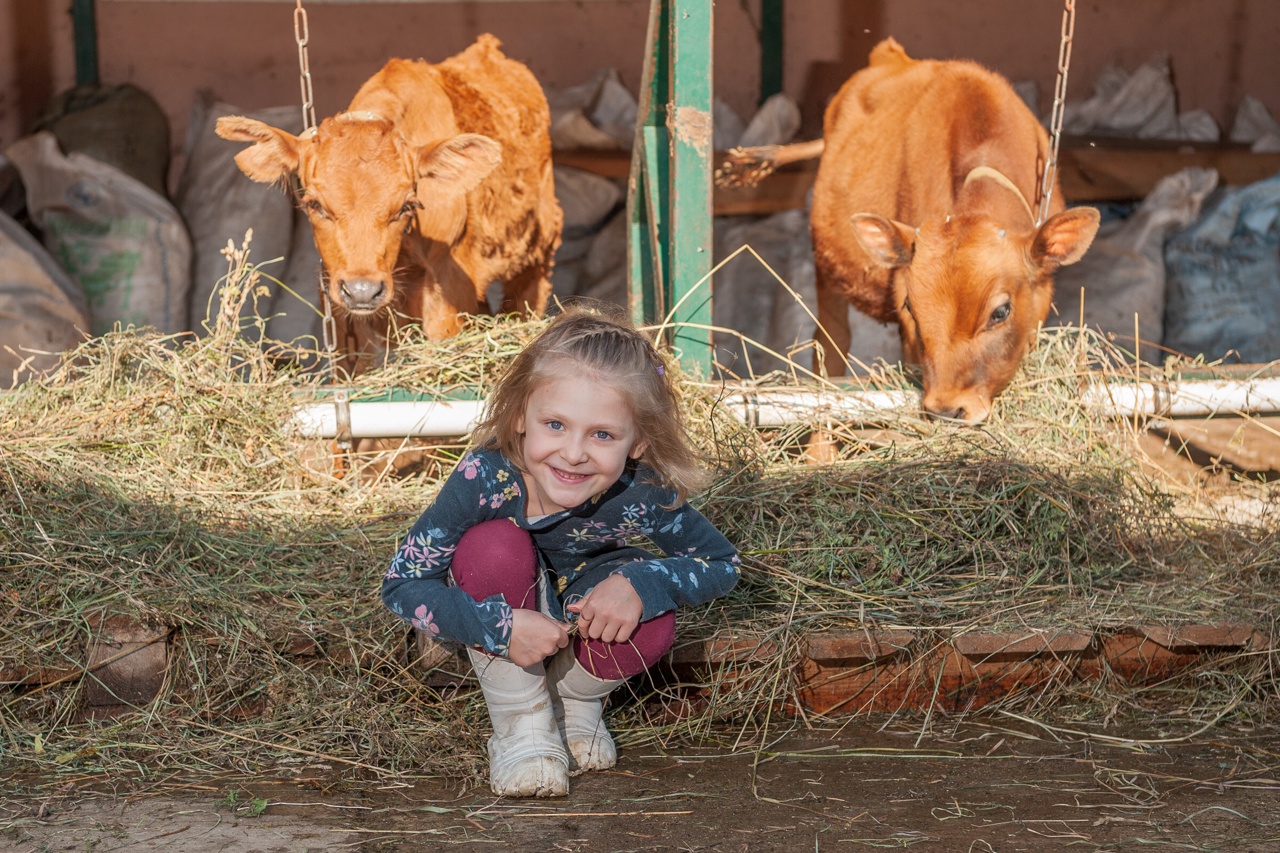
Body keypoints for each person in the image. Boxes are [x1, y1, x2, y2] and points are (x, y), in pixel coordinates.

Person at [381, 306, 741, 798]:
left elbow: (721, 563)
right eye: (555, 424)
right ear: (520, 417)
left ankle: (570, 702)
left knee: (651, 610)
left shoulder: (642, 491)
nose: (573, 453)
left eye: (602, 435)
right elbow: (402, 584)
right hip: (501, 616)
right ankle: (520, 720)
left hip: (580, 610)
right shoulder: (483, 477)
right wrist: (499, 628)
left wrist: (641, 583)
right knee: (491, 546)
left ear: (638, 442)